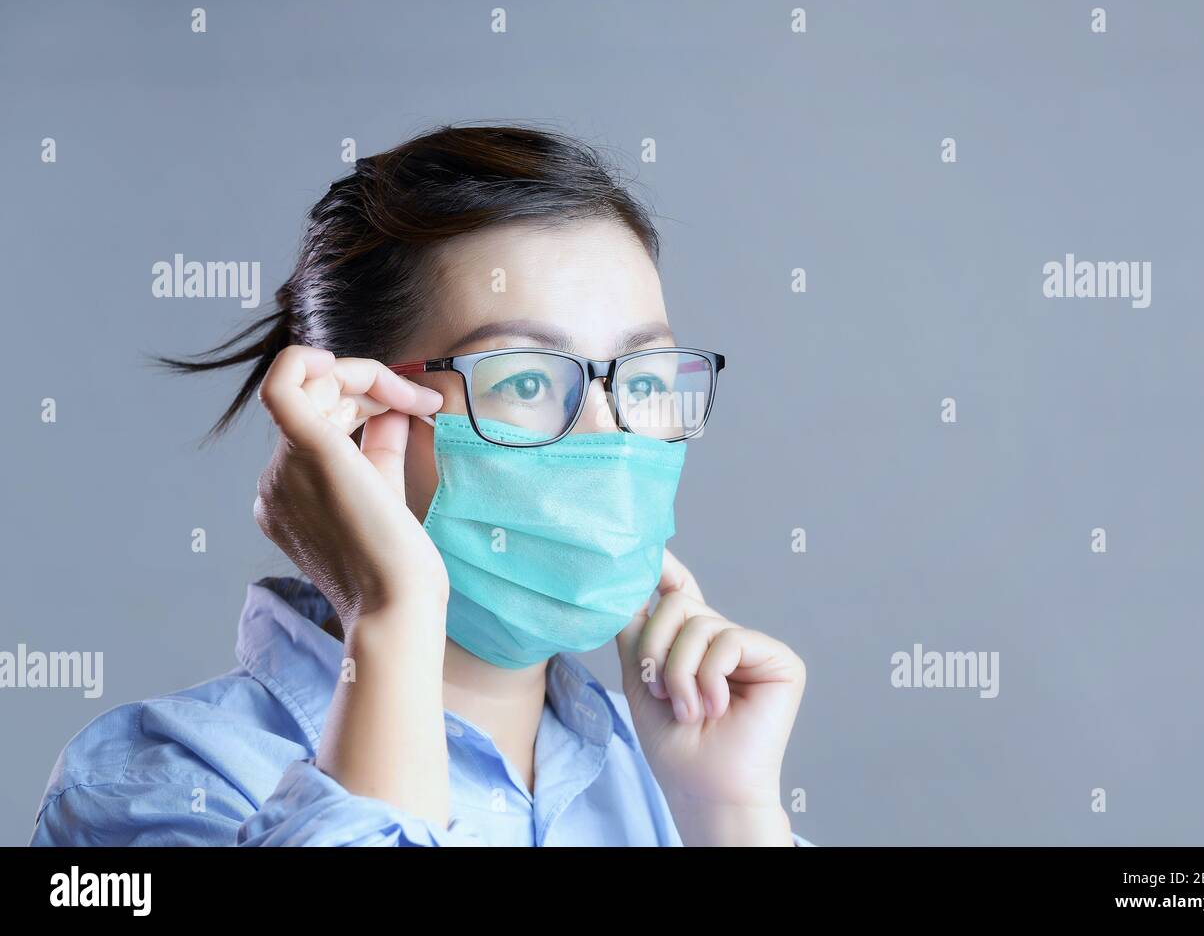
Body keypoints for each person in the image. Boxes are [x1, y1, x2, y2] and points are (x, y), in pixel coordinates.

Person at [31, 124, 810, 846]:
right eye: (528, 381)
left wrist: (729, 814)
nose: (610, 435)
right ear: (359, 413)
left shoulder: (678, 778)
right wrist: (390, 613)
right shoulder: (154, 785)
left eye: (642, 376)